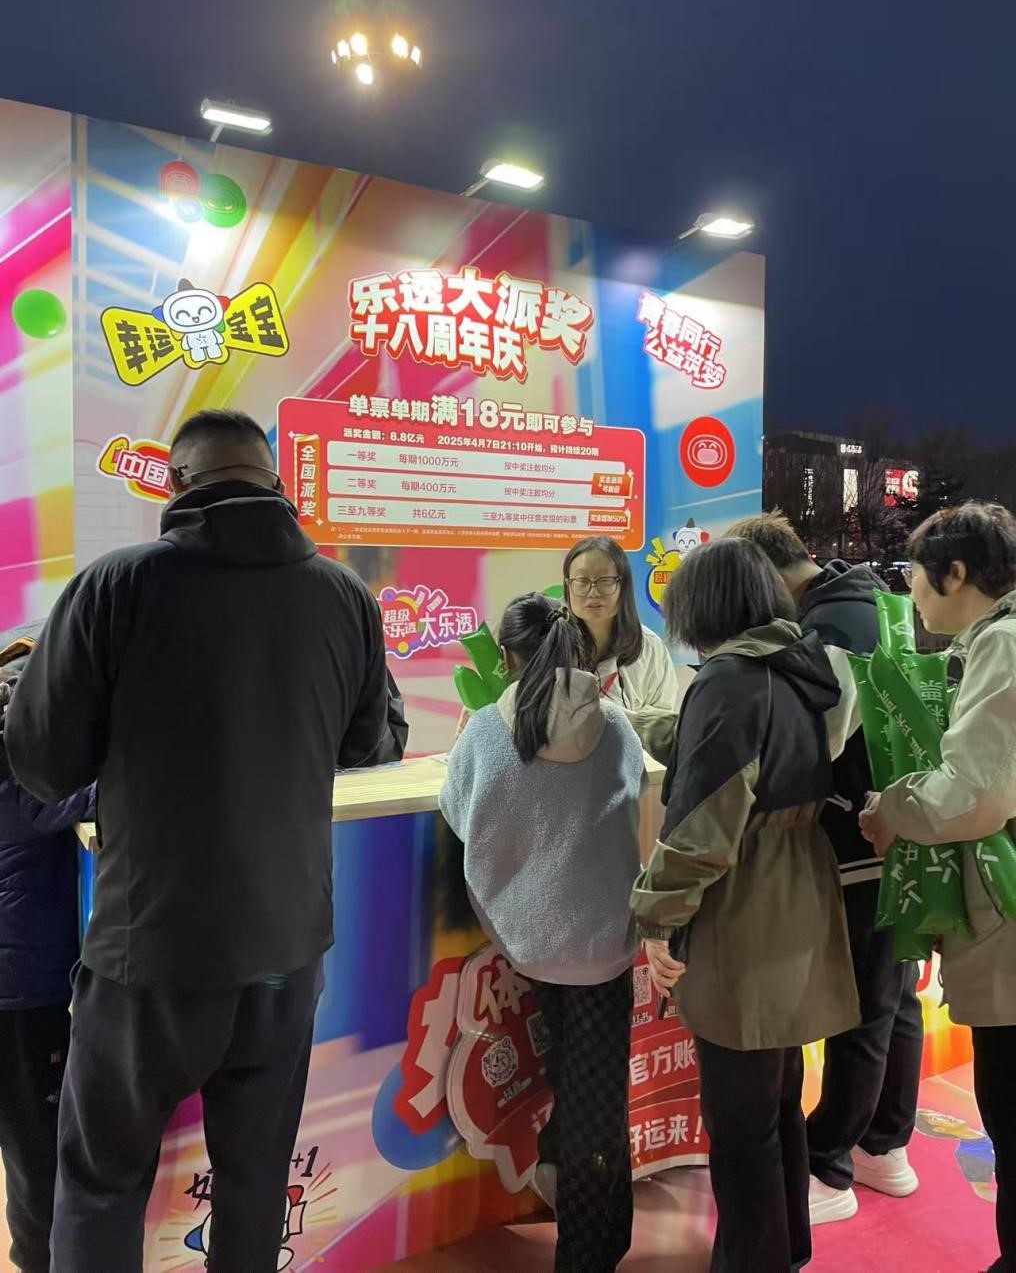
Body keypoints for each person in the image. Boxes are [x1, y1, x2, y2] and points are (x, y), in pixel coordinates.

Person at [4, 409, 395, 1273]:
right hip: (286, 955)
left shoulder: (115, 586)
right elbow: (368, 743)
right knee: (255, 1180)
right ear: (276, 484)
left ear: (177, 485)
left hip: (151, 953)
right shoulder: (344, 597)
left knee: (102, 1180)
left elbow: (40, 763)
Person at [631, 538, 860, 1273]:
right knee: (776, 1099)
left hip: (744, 903)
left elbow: (702, 829)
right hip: (798, 886)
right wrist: (634, 721)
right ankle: (786, 1248)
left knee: (739, 1122)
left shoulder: (729, 679)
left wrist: (656, 917)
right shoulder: (795, 664)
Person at [439, 592, 644, 1273]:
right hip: (603, 944)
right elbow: (636, 805)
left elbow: (459, 815)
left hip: (524, 942)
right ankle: (590, 1250)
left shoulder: (484, 733)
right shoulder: (614, 726)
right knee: (595, 1101)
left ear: (505, 658)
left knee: (563, 1082)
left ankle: (564, 1187)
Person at [727, 510, 923, 1221]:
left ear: (765, 574)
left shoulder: (835, 628)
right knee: (893, 998)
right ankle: (884, 1143)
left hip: (863, 837)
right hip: (897, 830)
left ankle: (828, 1164)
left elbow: (820, 742)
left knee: (864, 1004)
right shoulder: (869, 601)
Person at [859, 502, 1016, 1273]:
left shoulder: (1005, 645)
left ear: (955, 574)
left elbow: (977, 792)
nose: (910, 594)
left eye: (915, 576)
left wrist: (892, 808)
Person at [0, 629, 94, 1273]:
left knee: (25, 1140)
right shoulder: (22, 764)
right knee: (36, 1148)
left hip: (17, 984)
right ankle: (37, 1260)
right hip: (21, 991)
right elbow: (112, 792)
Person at [563, 536, 681, 758]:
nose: (593, 592)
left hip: (632, 768)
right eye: (582, 581)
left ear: (623, 586)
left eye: (605, 581)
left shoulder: (649, 646)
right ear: (568, 586)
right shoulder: (552, 645)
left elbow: (661, 725)